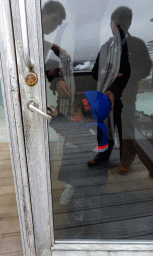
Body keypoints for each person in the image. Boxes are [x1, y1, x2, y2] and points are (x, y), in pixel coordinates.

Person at [90, 6, 152, 174]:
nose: (117, 28)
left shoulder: (137, 44)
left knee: (126, 128)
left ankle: (126, 161)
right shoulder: (105, 46)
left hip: (126, 96)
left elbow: (146, 69)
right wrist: (102, 73)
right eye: (114, 24)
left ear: (129, 23)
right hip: (104, 97)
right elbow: (95, 71)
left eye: (121, 25)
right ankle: (102, 156)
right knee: (104, 128)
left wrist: (125, 75)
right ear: (110, 24)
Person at [48, 91, 111, 238]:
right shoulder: (83, 126)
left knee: (92, 204)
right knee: (78, 203)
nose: (73, 112)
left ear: (90, 114)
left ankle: (94, 227)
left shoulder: (97, 131)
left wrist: (58, 118)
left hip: (93, 180)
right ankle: (77, 225)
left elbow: (73, 132)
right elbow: (72, 129)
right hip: (80, 177)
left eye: (76, 110)